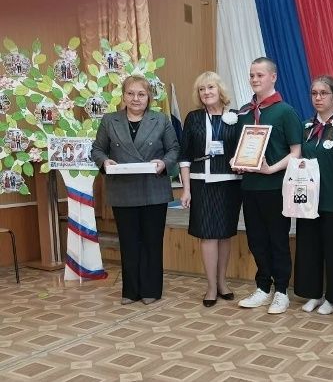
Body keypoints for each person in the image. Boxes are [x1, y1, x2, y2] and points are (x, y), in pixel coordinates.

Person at [91, 75, 180, 305]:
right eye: (130, 93)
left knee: (152, 242)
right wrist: (105, 161)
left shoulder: (161, 119)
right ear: (123, 96)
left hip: (154, 189)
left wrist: (164, 163)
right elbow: (97, 149)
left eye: (141, 94)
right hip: (123, 191)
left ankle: (151, 290)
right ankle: (130, 291)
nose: (135, 98)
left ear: (149, 97)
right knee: (128, 242)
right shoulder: (110, 120)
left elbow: (174, 149)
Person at [235, 57, 303, 314]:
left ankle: (281, 291)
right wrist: (236, 161)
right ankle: (263, 287)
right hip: (249, 187)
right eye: (252, 75)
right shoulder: (244, 112)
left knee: (278, 240)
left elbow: (296, 152)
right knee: (256, 241)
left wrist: (271, 169)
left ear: (273, 77)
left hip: (275, 187)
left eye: (260, 75)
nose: (255, 79)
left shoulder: (285, 111)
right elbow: (241, 149)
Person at [178, 71, 242, 307]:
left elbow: (244, 148)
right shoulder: (193, 118)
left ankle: (223, 282)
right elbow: (184, 156)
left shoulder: (236, 116)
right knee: (207, 234)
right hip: (201, 182)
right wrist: (186, 189)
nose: (206, 92)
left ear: (220, 90)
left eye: (210, 87)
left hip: (230, 183)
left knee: (224, 234)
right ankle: (211, 287)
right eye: (202, 89)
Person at [294, 75, 333, 315]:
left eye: (324, 93)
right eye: (314, 93)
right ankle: (314, 293)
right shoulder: (305, 128)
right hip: (307, 200)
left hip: (331, 200)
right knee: (309, 248)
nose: (318, 98)